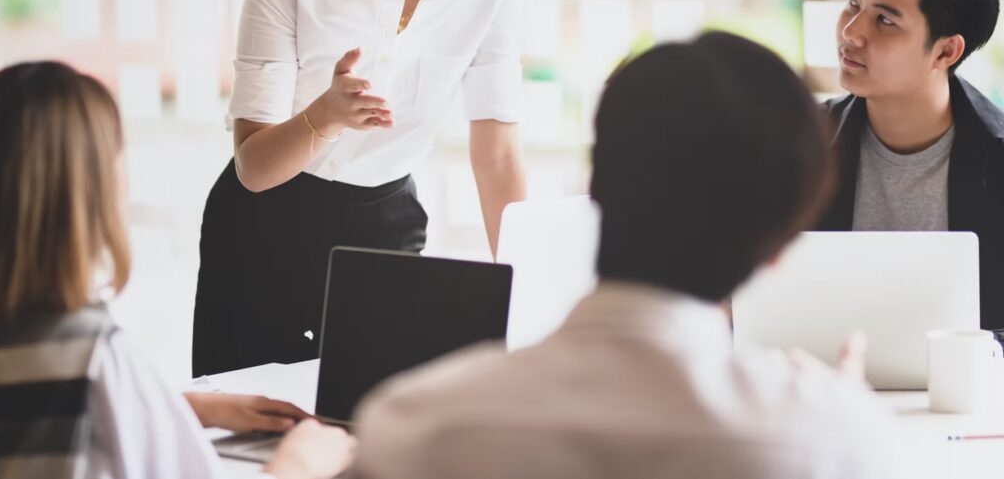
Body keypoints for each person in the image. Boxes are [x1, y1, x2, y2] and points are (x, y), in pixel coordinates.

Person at [348, 32, 898, 479]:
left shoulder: (413, 426)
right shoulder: (835, 444)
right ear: (781, 247)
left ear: (598, 183)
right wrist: (835, 407)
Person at [192, 0, 526, 376]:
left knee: (372, 426)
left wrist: (528, 291)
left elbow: (497, 155)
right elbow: (254, 168)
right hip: (265, 229)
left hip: (387, 226)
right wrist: (324, 117)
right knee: (256, 436)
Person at [0, 61, 354, 479]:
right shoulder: (93, 356)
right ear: (92, 195)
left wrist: (173, 407)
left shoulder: (15, 343)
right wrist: (300, 464)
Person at [817, 0, 1004, 331]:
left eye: (884, 20)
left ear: (946, 50)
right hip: (822, 383)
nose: (851, 33)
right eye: (853, 3)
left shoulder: (998, 158)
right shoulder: (802, 146)